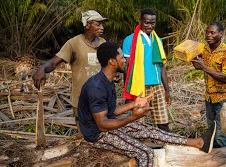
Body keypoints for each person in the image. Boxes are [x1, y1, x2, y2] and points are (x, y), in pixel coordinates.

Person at [78, 41, 217, 167]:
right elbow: (102, 124)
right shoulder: (96, 87)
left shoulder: (107, 80)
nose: (125, 60)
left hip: (107, 127)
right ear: (112, 62)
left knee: (149, 131)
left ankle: (198, 143)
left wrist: (133, 104)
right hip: (98, 135)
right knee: (146, 154)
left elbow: (111, 110)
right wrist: (132, 117)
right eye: (122, 57)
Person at [32, 10, 107, 129]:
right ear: (87, 25)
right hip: (82, 99)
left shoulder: (103, 43)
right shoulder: (73, 43)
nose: (102, 27)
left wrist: (117, 73)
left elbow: (109, 65)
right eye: (98, 24)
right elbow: (54, 62)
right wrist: (42, 69)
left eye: (102, 24)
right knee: (84, 136)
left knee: (102, 134)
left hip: (101, 98)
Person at [122, 8, 171, 131]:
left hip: (157, 86)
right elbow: (127, 68)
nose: (150, 26)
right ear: (140, 21)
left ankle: (166, 146)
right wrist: (128, 94)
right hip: (139, 87)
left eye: (153, 23)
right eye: (146, 22)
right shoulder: (130, 40)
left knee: (163, 121)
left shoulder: (158, 40)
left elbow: (162, 67)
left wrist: (167, 90)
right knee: (137, 123)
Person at [191, 22, 226, 148]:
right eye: (207, 32)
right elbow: (197, 65)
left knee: (221, 133)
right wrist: (193, 50)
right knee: (212, 129)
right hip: (209, 97)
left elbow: (225, 78)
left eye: (212, 32)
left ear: (221, 34)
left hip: (222, 98)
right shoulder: (204, 49)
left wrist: (205, 67)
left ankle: (223, 158)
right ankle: (214, 156)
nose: (208, 35)